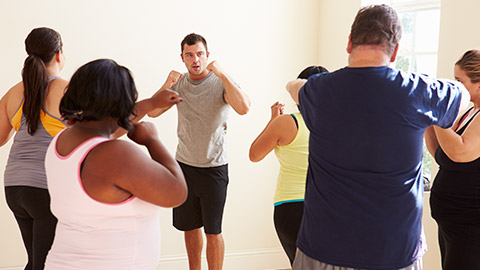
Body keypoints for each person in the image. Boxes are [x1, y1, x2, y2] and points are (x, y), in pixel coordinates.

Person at [285, 4, 470, 270]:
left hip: (322, 249)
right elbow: (463, 94)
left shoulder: (319, 91)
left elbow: (293, 86)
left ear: (349, 43)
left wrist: (307, 85)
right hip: (393, 253)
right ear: (395, 51)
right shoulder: (418, 91)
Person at [43, 59, 187, 270]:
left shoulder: (61, 141)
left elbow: (109, 130)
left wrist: (151, 104)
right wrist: (152, 141)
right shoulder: (114, 153)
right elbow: (177, 192)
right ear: (122, 102)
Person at [149, 33, 250, 270]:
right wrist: (166, 84)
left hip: (214, 168)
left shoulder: (220, 82)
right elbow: (152, 113)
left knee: (213, 230)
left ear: (208, 55)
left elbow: (244, 108)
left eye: (200, 54)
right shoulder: (180, 84)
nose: (195, 59)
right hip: (183, 167)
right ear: (182, 58)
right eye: (190, 55)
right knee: (190, 227)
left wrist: (223, 74)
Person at [0, 27, 67, 270]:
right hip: (43, 189)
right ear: (59, 54)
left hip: (14, 187)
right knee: (47, 263)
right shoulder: (65, 90)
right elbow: (95, 134)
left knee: (38, 261)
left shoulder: (13, 93)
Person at [249, 66, 328, 265]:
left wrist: (273, 120)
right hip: (326, 206)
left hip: (290, 208)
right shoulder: (337, 126)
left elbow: (255, 154)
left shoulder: (286, 122)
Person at [425, 49, 480, 270]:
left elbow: (460, 153)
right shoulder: (470, 112)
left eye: (460, 81)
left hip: (469, 222)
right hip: (450, 218)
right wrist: (429, 116)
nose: (455, 87)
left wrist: (440, 115)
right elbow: (442, 153)